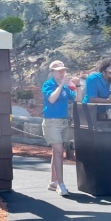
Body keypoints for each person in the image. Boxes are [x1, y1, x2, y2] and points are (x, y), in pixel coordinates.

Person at [41, 60, 79, 196]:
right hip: (51, 121)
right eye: (59, 70)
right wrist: (62, 84)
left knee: (57, 151)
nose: (62, 72)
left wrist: (78, 85)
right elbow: (51, 99)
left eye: (63, 70)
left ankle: (53, 182)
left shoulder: (66, 87)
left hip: (63, 121)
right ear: (52, 72)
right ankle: (61, 184)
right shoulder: (48, 84)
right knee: (58, 150)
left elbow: (77, 99)